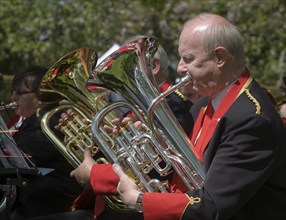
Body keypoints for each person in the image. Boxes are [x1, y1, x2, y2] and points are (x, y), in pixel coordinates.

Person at [108, 13, 286, 220]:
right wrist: (152, 145)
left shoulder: (252, 119)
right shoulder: (204, 103)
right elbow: (187, 167)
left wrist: (140, 200)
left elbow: (213, 205)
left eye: (188, 59)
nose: (181, 68)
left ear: (219, 58)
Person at [5, 66, 82, 220]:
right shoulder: (38, 119)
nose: (13, 98)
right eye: (13, 92)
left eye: (19, 92)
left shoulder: (45, 122)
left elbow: (14, 162)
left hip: (49, 206)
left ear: (40, 96)